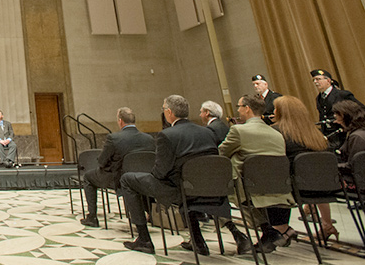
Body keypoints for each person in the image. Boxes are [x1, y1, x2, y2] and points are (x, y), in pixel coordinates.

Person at [119, 95, 236, 256]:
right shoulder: (208, 133)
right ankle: (197, 240)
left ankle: (144, 239)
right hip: (210, 188)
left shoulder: (167, 135)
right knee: (187, 187)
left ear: (169, 112)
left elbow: (160, 172)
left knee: (128, 179)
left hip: (179, 190)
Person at [219, 94, 294, 254]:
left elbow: (221, 153)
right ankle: (268, 231)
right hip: (277, 187)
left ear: (247, 108)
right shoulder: (276, 134)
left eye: (239, 106)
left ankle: (238, 234)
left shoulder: (238, 130)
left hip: (246, 189)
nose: (238, 110)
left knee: (215, 192)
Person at [80, 107, 154, 228]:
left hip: (117, 179)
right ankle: (149, 215)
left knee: (88, 177)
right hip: (143, 178)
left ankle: (92, 217)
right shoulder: (149, 139)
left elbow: (102, 161)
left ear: (120, 121)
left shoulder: (114, 138)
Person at [272, 95, 332, 244]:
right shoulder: (315, 133)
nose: (272, 111)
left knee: (270, 181)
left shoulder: (278, 132)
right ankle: (327, 224)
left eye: (275, 109)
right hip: (324, 186)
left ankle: (281, 227)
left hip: (294, 187)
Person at [313, 68, 363, 148]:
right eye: (314, 80)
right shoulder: (319, 98)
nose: (315, 82)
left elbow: (360, 109)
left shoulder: (342, 94)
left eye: (318, 79)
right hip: (329, 136)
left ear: (328, 81)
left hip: (343, 133)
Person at [334, 99, 365, 171]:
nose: (336, 122)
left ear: (347, 117)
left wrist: (332, 166)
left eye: (338, 119)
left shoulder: (356, 137)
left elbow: (355, 165)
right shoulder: (359, 132)